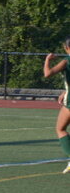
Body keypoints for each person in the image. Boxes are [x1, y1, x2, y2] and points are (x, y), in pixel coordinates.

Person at [43, 36, 70, 174]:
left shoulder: (66, 61)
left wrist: (47, 60)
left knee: (60, 129)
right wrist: (65, 91)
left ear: (66, 47)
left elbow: (47, 74)